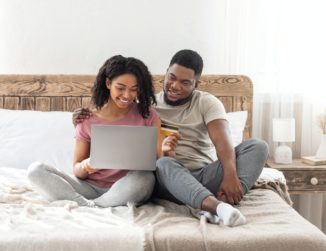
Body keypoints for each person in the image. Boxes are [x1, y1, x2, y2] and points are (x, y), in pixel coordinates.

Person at [73, 50, 269, 226]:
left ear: (196, 84)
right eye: (172, 78)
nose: (175, 86)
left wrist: (230, 176)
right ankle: (217, 207)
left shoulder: (207, 102)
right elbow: (118, 113)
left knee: (258, 146)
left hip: (203, 174)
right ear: (165, 73)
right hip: (166, 179)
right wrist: (82, 115)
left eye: (185, 82)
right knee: (164, 163)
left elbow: (223, 142)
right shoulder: (148, 105)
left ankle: (222, 201)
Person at [28, 55, 162, 208]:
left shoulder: (148, 116)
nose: (127, 95)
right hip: (90, 188)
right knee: (36, 170)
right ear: (108, 83)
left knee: (145, 178)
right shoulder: (87, 119)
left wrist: (165, 151)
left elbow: (159, 161)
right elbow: (77, 171)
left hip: (128, 187)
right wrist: (86, 166)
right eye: (120, 88)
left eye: (134, 89)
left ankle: (87, 206)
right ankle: (92, 205)